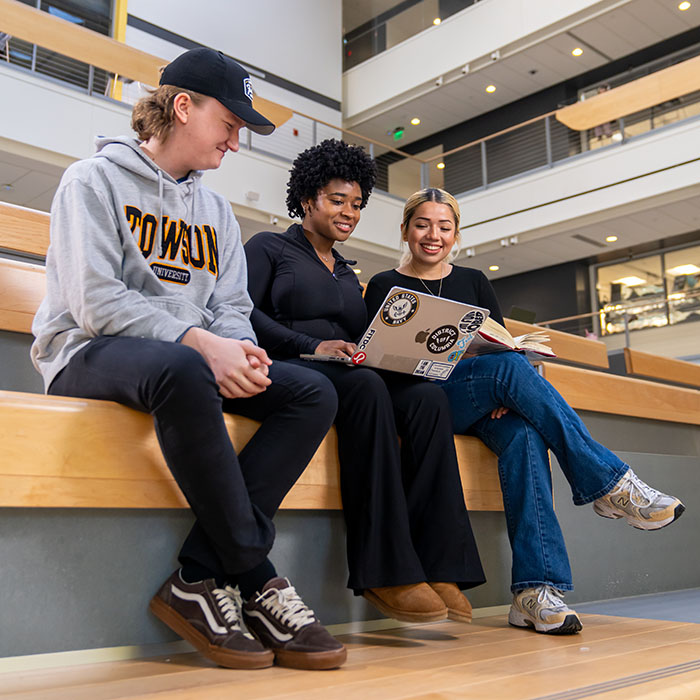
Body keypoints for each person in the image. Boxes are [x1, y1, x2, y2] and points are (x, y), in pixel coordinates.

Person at [30, 48, 347, 671]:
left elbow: (230, 304)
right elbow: (95, 302)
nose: (235, 143)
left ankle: (200, 575)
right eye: (229, 125)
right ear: (182, 106)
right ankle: (256, 573)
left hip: (186, 363)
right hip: (87, 352)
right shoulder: (92, 180)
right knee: (184, 366)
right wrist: (200, 343)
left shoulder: (217, 212)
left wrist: (242, 350)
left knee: (314, 391)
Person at [364, 187, 685, 635]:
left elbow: (499, 343)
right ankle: (611, 484)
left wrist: (502, 388)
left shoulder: (474, 279)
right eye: (422, 224)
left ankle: (534, 593)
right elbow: (378, 361)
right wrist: (499, 380)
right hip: (424, 404)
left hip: (480, 398)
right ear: (404, 229)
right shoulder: (384, 285)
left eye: (444, 226)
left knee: (525, 433)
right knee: (508, 373)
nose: (432, 235)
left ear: (456, 234)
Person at [244, 140, 485, 626]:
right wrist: (310, 346)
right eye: (337, 200)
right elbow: (243, 315)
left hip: (348, 370)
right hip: (291, 366)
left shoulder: (349, 274)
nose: (349, 212)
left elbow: (364, 338)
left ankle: (442, 565)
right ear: (309, 198)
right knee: (367, 390)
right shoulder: (269, 247)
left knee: (427, 400)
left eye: (357, 204)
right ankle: (385, 570)